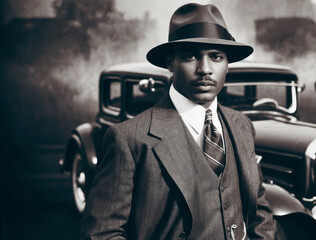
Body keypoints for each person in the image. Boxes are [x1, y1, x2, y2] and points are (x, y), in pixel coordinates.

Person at [80, 3, 275, 240]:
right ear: (170, 63)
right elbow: (102, 233)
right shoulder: (128, 138)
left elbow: (259, 210)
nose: (205, 69)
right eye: (190, 56)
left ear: (227, 65)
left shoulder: (242, 126)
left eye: (216, 57)